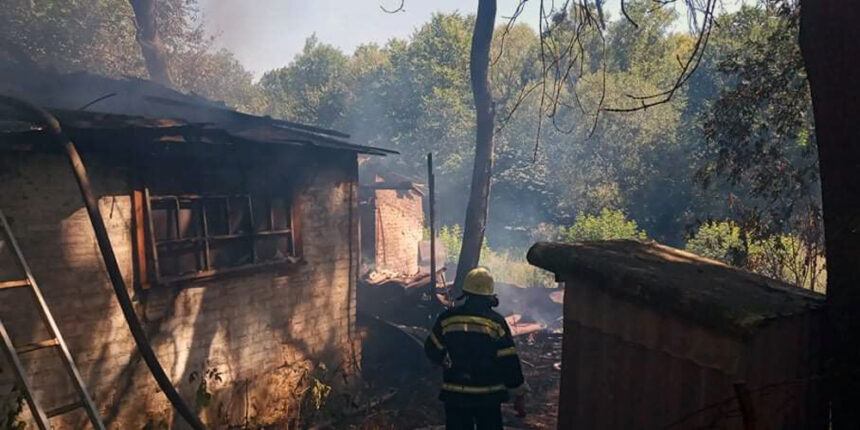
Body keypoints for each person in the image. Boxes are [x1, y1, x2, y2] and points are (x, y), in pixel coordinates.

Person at [424, 267, 528, 430]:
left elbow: (432, 349)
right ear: (490, 294)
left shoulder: (448, 318)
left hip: (455, 394)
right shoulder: (496, 322)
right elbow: (509, 361)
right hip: (488, 397)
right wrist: (518, 391)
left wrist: (443, 362)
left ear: (466, 292)